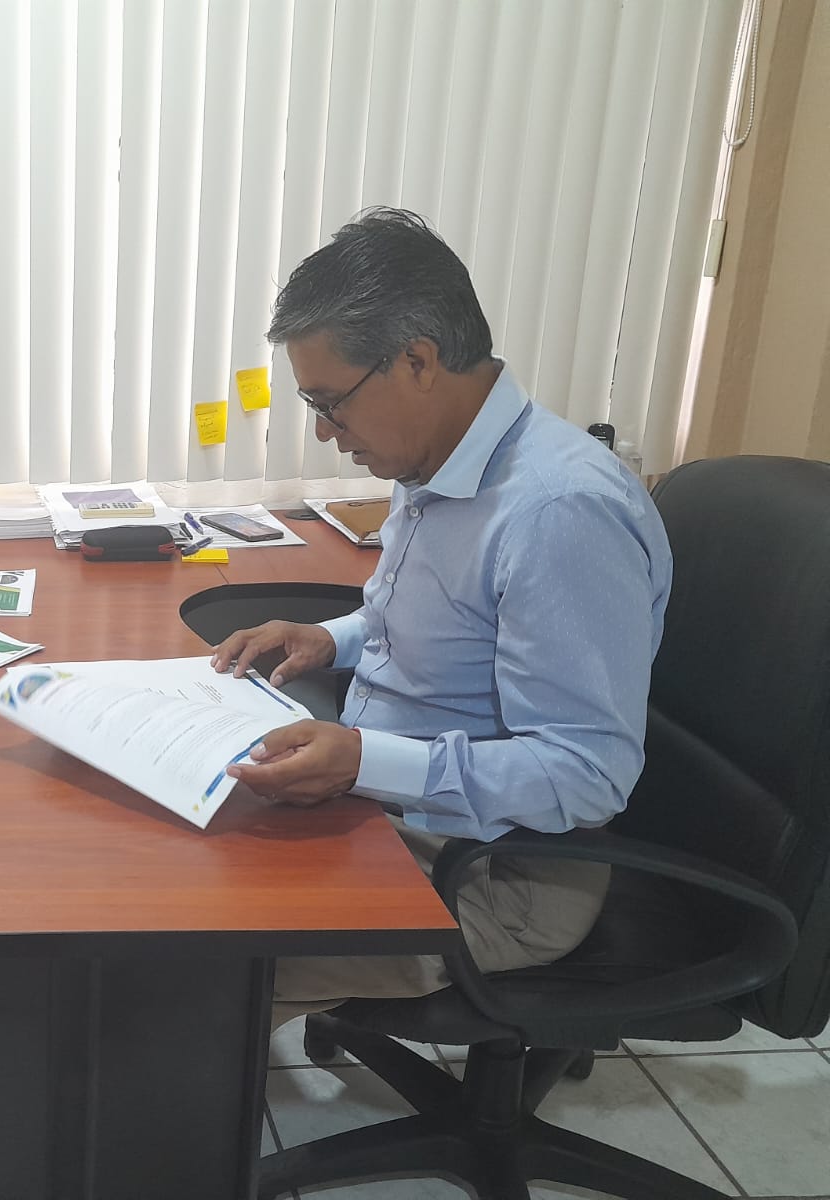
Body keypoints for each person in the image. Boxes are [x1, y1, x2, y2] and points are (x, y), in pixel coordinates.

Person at [211, 208, 673, 1013]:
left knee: (190, 956)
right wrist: (331, 638)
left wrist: (365, 763)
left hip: (501, 872)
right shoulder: (434, 457)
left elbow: (589, 774)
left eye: (332, 403)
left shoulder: (558, 513)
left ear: (418, 361)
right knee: (171, 860)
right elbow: (442, 621)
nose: (324, 432)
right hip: (400, 805)